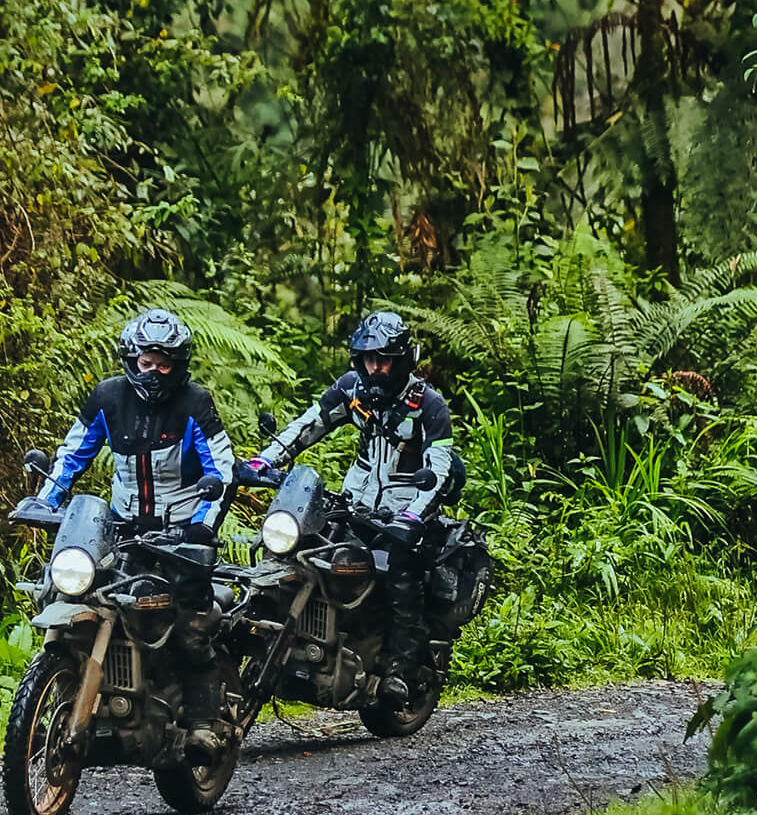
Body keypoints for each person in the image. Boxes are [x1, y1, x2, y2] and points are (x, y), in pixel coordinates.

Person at [34, 308, 236, 760]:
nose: (155, 371)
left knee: (189, 626)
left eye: (164, 363)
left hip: (182, 533)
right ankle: (72, 695)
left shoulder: (194, 404)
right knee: (77, 596)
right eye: (147, 361)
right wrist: (45, 500)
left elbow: (221, 468)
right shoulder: (108, 398)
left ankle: (203, 720)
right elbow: (72, 454)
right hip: (121, 529)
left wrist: (204, 524)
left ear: (178, 365)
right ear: (132, 358)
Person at [246, 310, 459, 705]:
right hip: (355, 504)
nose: (375, 368)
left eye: (383, 360)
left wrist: (414, 515)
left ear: (401, 360)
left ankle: (401, 669)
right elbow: (308, 424)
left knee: (400, 571)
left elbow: (441, 468)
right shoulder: (352, 390)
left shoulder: (427, 404)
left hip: (405, 514)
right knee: (302, 551)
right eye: (367, 359)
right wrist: (263, 462)